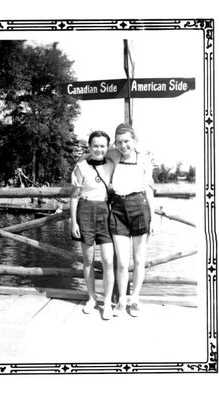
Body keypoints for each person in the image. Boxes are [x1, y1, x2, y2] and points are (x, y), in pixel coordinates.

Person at [107, 123, 154, 317]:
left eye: (127, 141)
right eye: (119, 142)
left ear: (135, 141)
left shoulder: (144, 160)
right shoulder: (114, 156)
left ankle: (134, 299)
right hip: (117, 209)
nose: (123, 145)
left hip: (139, 206)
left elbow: (148, 189)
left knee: (139, 258)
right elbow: (95, 152)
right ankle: (121, 300)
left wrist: (152, 219)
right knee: (123, 263)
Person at [70, 131, 115, 320]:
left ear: (107, 147)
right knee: (88, 260)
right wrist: (74, 222)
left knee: (108, 261)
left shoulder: (112, 165)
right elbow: (74, 196)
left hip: (105, 212)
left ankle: (107, 303)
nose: (99, 149)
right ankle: (91, 298)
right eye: (95, 146)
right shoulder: (81, 166)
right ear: (89, 147)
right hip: (85, 211)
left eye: (103, 146)